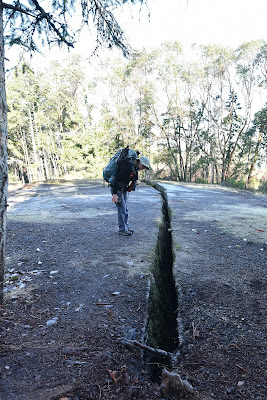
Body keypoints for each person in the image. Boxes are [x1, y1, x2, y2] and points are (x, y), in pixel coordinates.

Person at [111, 156, 151, 236]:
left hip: (123, 189)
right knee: (121, 208)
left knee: (125, 208)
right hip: (117, 189)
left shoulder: (135, 169)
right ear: (139, 162)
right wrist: (115, 194)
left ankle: (126, 227)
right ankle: (122, 229)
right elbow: (116, 179)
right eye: (143, 166)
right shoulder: (127, 167)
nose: (143, 168)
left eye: (145, 167)